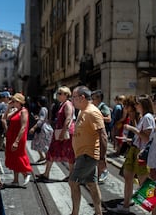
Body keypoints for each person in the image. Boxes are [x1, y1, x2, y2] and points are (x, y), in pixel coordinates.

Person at [110, 94, 156, 214]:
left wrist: (132, 129)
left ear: (143, 105)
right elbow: (142, 137)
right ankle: (126, 206)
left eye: (137, 104)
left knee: (145, 182)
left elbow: (147, 138)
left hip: (141, 152)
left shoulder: (147, 117)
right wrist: (130, 140)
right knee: (128, 176)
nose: (136, 106)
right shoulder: (144, 117)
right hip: (135, 149)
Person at [68, 86, 106, 215]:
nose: (72, 100)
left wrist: (102, 159)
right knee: (91, 184)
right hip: (82, 154)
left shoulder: (92, 112)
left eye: (73, 97)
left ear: (82, 97)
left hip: (88, 155)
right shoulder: (82, 111)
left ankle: (75, 213)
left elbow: (103, 136)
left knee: (73, 182)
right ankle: (98, 212)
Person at [36, 86, 75, 182]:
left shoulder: (68, 104)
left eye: (59, 93)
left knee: (69, 153)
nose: (57, 95)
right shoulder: (63, 104)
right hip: (60, 131)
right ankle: (46, 173)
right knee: (52, 151)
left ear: (66, 94)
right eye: (58, 93)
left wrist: (62, 133)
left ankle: (71, 175)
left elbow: (68, 118)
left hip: (64, 132)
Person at [3, 93, 32, 186]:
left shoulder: (23, 111)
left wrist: (16, 141)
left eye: (14, 101)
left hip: (18, 138)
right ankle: (15, 180)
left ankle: (25, 173)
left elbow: (23, 127)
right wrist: (8, 107)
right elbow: (5, 118)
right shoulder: (16, 110)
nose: (12, 102)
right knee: (13, 157)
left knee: (18, 156)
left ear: (19, 102)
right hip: (11, 136)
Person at [91, 90, 111, 183]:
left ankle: (102, 173)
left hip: (102, 134)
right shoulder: (94, 107)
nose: (92, 100)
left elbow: (109, 119)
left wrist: (98, 117)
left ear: (99, 98)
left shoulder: (103, 107)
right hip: (95, 134)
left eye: (93, 98)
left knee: (101, 156)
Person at [29, 96, 53, 163]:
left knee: (41, 143)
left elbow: (41, 120)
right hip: (45, 127)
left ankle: (46, 158)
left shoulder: (43, 109)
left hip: (43, 129)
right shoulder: (45, 109)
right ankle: (43, 157)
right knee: (40, 143)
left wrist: (33, 127)